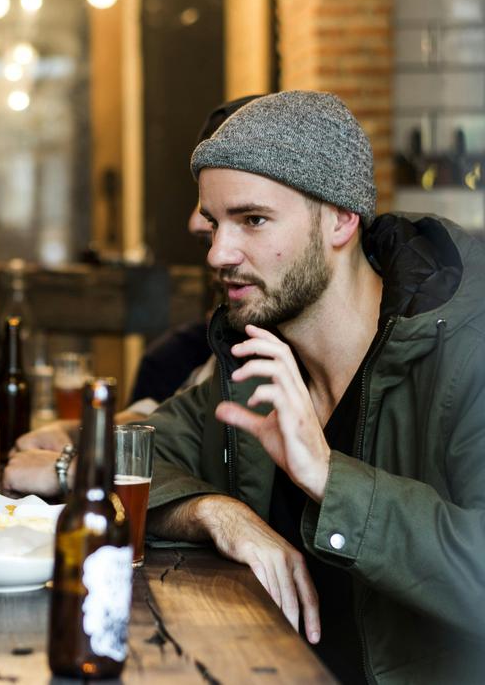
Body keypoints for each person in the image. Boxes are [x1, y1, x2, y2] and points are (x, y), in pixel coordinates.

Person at [140, 91, 484, 682]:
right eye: (215, 225)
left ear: (341, 219)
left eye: (252, 220)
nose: (219, 253)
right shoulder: (258, 363)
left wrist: (328, 477)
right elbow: (127, 455)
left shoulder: (465, 357)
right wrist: (217, 514)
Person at [2, 96, 263, 498]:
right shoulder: (228, 342)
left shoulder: (282, 334)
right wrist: (80, 435)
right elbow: (177, 428)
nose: (196, 225)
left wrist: (70, 466)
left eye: (252, 218)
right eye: (209, 211)